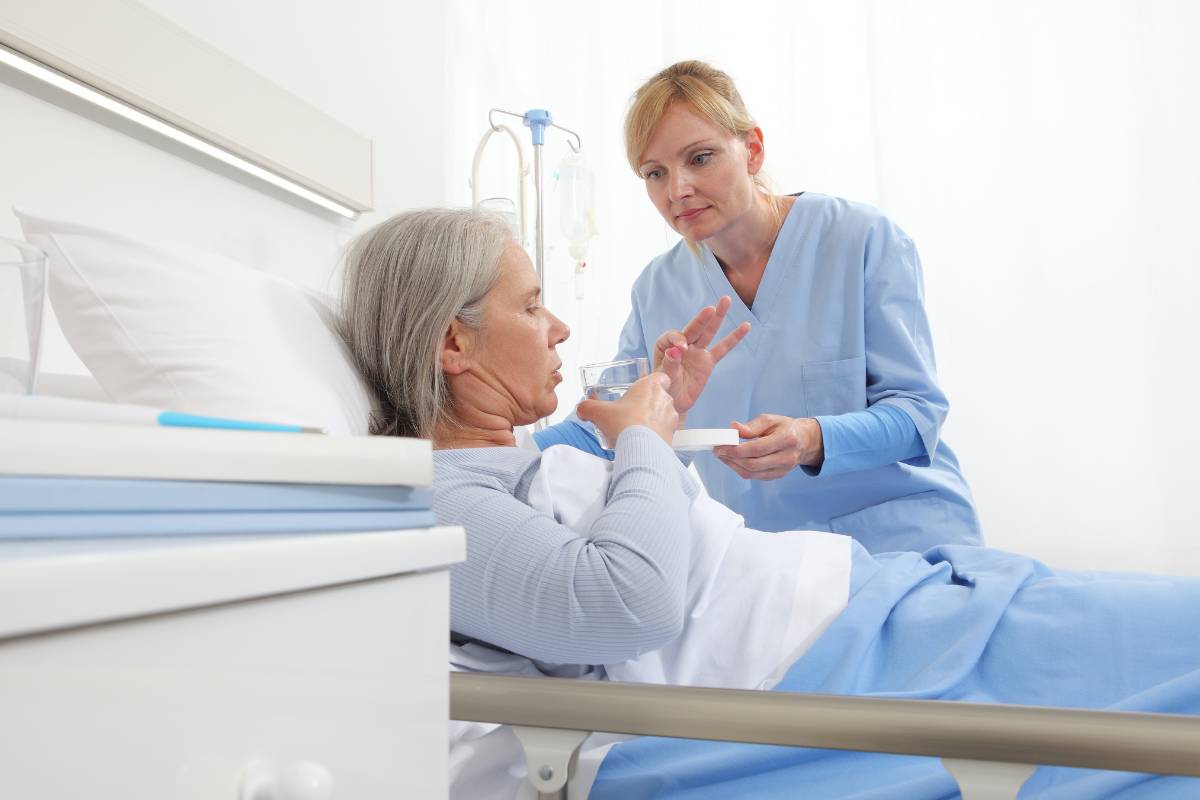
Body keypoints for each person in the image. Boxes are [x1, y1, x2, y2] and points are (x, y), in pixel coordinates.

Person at [338, 208, 1200, 799]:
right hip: (836, 664)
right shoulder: (433, 499)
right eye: (531, 306)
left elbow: (624, 503)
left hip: (877, 606)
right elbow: (620, 601)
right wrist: (642, 437)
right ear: (454, 343)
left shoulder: (527, 454)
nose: (560, 328)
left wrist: (654, 416)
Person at [534, 60, 980, 554]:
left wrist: (811, 437)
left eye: (699, 158)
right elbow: (611, 425)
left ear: (752, 149)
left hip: (906, 537)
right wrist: (486, 455)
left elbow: (918, 416)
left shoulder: (862, 241)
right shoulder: (657, 289)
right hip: (773, 561)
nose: (676, 190)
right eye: (654, 172)